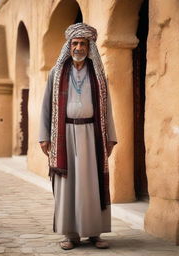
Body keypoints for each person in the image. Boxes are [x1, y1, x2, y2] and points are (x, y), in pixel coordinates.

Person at [39, 23, 117, 250]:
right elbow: (46, 107)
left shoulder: (98, 75)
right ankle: (70, 235)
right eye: (75, 43)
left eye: (83, 43)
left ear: (89, 46)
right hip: (64, 135)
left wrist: (110, 136)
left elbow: (107, 108)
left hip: (92, 134)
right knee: (67, 186)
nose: (79, 47)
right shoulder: (57, 73)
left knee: (92, 186)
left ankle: (94, 233)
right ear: (69, 45)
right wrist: (45, 136)